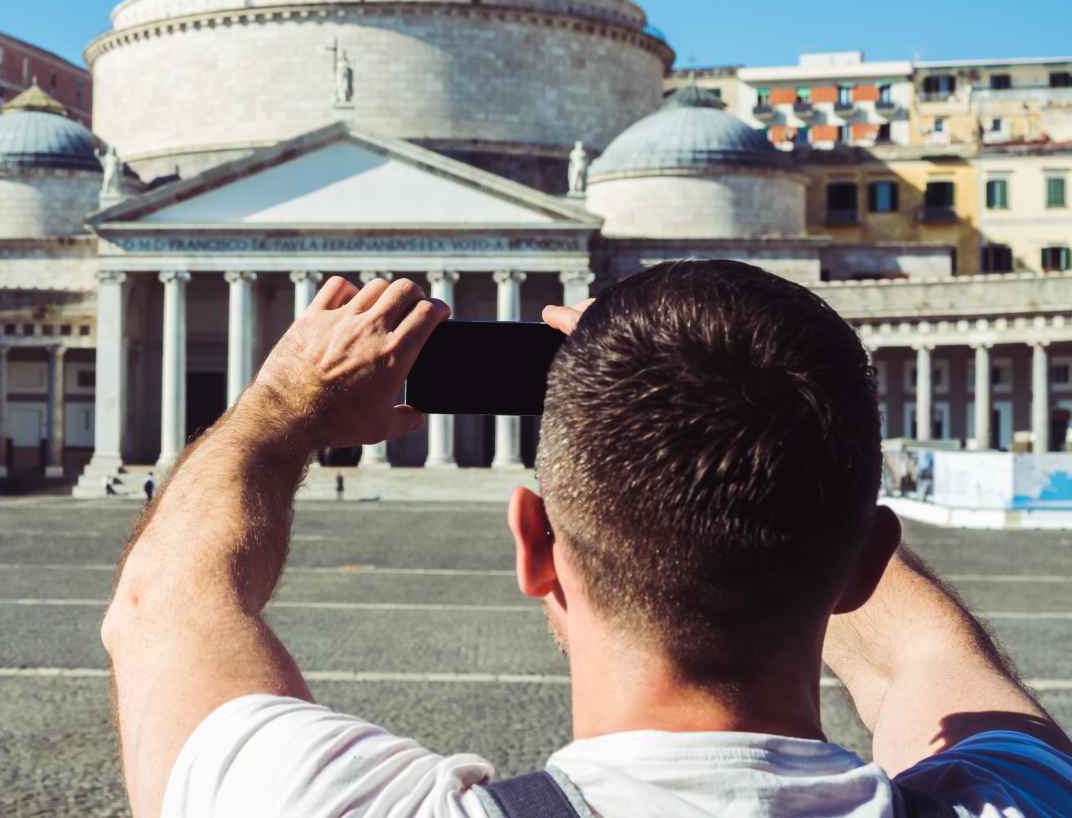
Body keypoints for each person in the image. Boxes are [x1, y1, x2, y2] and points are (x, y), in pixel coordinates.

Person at [102, 261, 1072, 818]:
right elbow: (927, 658)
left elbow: (167, 602)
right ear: (860, 562)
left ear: (534, 545)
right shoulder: (1023, 801)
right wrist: (709, 389)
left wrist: (279, 406)